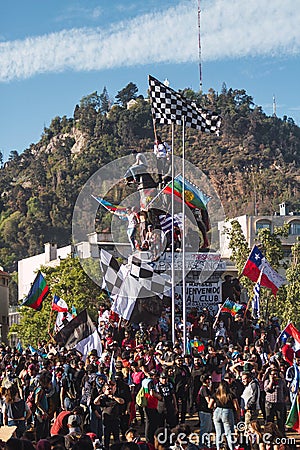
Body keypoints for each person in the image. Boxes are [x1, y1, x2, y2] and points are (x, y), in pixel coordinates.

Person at [208, 381, 240, 450]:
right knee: (229, 433)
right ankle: (231, 448)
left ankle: (218, 448)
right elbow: (236, 407)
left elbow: (209, 406)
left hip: (217, 412)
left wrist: (215, 407)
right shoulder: (231, 395)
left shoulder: (216, 394)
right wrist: (238, 416)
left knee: (218, 433)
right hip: (227, 412)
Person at [94, 381, 125, 449]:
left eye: (111, 389)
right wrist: (101, 395)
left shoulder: (116, 396)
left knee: (116, 436)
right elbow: (95, 402)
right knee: (106, 437)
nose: (110, 390)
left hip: (115, 419)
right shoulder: (103, 399)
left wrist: (113, 397)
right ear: (104, 390)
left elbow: (122, 401)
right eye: (108, 389)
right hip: (106, 420)